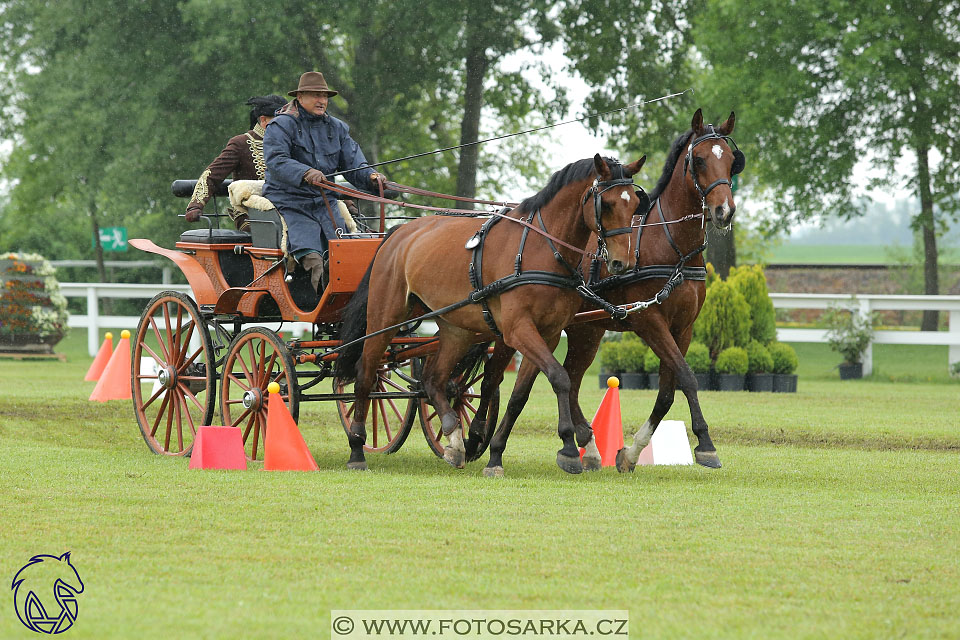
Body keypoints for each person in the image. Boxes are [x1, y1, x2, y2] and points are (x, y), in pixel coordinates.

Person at [262, 71, 384, 292]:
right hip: (290, 203)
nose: (322, 101)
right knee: (313, 258)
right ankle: (322, 301)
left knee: (348, 255)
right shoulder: (280, 126)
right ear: (300, 97)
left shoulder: (337, 128)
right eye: (315, 95)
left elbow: (354, 163)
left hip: (325, 202)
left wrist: (371, 177)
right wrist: (305, 172)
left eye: (325, 96)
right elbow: (276, 161)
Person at [185, 94, 287, 228]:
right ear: (264, 120)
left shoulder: (289, 144)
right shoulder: (241, 143)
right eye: (281, 120)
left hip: (287, 209)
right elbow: (211, 175)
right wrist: (195, 205)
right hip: (250, 215)